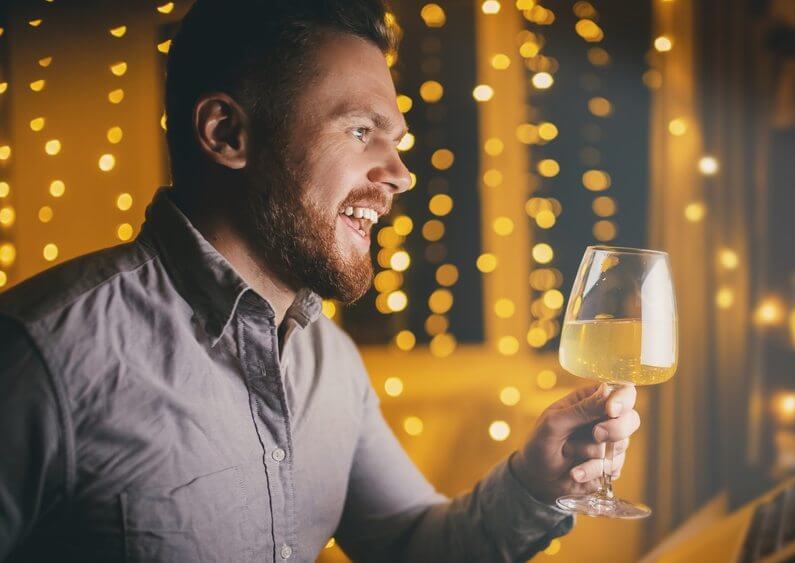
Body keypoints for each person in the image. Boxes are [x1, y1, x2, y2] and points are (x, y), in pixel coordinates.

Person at [0, 0, 641, 561]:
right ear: (227, 133)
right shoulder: (41, 353)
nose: (400, 174)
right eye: (361, 131)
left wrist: (534, 483)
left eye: (394, 139)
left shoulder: (327, 357)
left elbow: (411, 546)